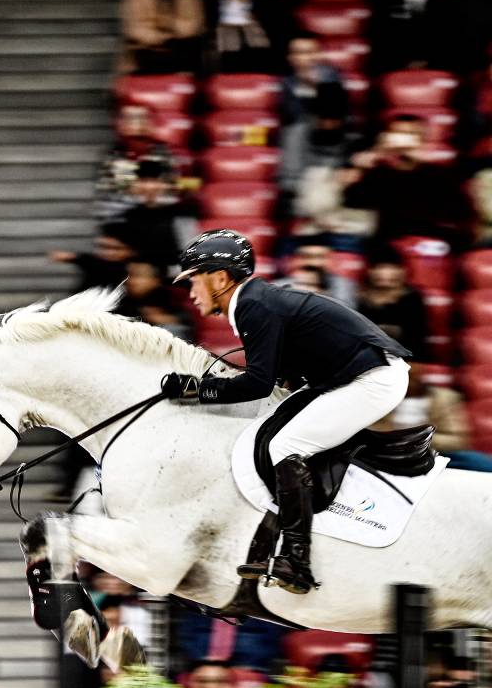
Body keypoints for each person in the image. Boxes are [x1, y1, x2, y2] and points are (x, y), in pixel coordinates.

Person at [163, 229, 412, 594]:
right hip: (350, 377)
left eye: (193, 282)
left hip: (372, 381)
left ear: (220, 278)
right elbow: (283, 373)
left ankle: (297, 561)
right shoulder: (255, 301)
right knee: (273, 431)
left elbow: (257, 384)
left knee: (285, 447)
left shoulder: (253, 305)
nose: (190, 293)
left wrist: (194, 390)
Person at [341, 115, 472, 246]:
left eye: (411, 134)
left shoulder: (440, 175)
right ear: (388, 138)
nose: (404, 140)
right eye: (398, 133)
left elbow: (458, 213)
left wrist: (416, 162)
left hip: (432, 241)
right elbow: (353, 203)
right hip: (389, 245)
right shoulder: (377, 173)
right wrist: (366, 164)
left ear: (422, 139)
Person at [277, 33, 349, 198]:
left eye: (310, 52)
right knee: (295, 131)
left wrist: (317, 86)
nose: (305, 58)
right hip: (301, 140)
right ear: (291, 57)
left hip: (331, 141)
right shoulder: (287, 83)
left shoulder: (333, 77)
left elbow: (335, 116)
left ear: (319, 55)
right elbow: (293, 115)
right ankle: (296, 187)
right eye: (299, 53)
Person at [201, 0, 288, 74]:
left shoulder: (269, 2)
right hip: (220, 64)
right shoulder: (205, 3)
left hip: (262, 62)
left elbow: (280, 41)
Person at [369, 0, 454, 74]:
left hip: (437, 67)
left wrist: (427, 62)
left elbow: (450, 38)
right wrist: (406, 64)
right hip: (394, 68)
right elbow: (382, 39)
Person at [120, 0, 204, 74]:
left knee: (191, 49)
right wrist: (165, 36)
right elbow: (134, 29)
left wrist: (164, 23)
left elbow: (193, 25)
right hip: (145, 57)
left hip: (180, 55)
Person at [357, 246, 429, 360]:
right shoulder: (359, 298)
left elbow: (417, 339)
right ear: (369, 271)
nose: (384, 273)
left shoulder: (411, 299)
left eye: (391, 268)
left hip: (403, 362)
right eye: (379, 268)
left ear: (402, 271)